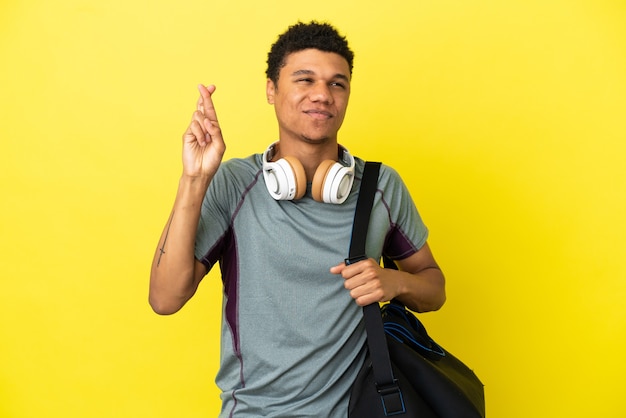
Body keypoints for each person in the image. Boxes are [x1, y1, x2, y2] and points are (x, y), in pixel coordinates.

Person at [149, 21, 446, 417]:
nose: (322, 95)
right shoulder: (234, 183)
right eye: (305, 80)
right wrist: (195, 178)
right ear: (271, 89)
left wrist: (394, 281)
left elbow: (434, 288)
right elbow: (165, 298)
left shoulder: (380, 186)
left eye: (337, 84)